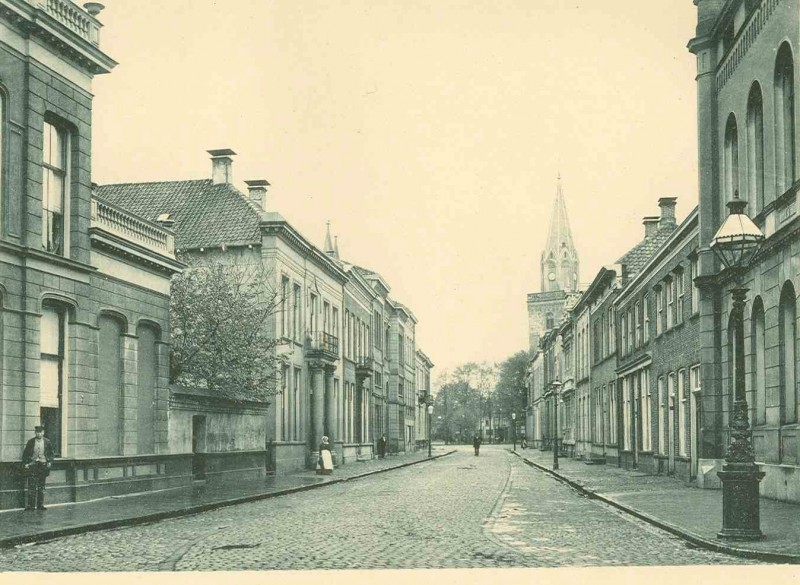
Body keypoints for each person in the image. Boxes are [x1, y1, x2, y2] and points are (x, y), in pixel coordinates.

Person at [21, 425, 54, 510]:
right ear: (35, 433)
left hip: (43, 466)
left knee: (41, 486)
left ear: (43, 433)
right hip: (33, 466)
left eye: (40, 432)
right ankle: (31, 506)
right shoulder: (31, 442)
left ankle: (40, 505)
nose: (39, 434)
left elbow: (51, 453)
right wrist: (26, 463)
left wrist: (49, 461)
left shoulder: (47, 442)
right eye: (37, 432)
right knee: (31, 486)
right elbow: (25, 454)